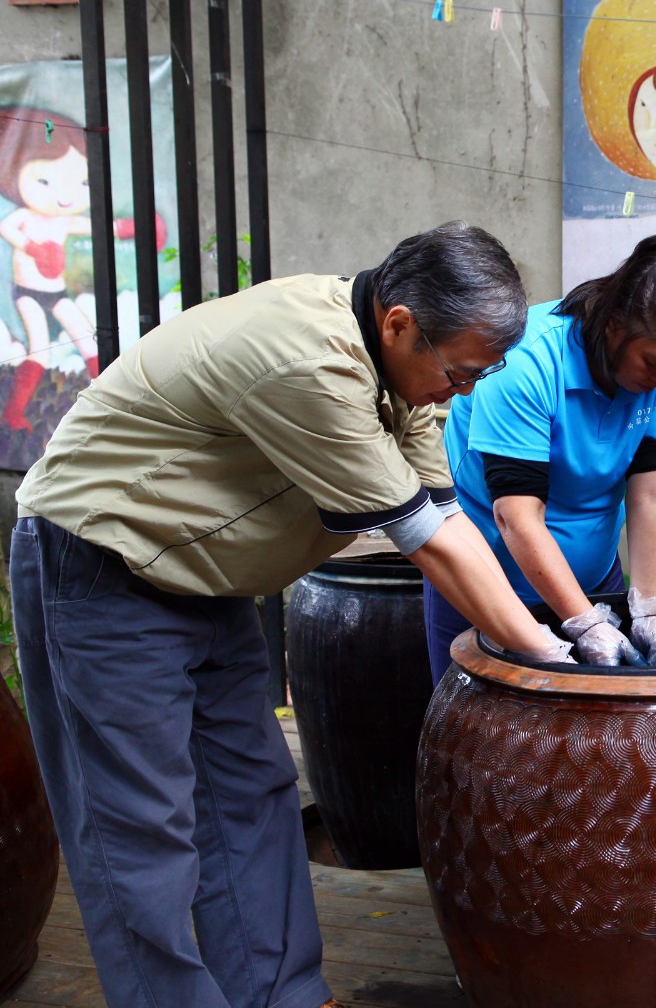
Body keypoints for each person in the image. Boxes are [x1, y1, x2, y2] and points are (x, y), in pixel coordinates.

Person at [9, 222, 575, 1008]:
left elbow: (446, 511)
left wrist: (561, 634)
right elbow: (429, 542)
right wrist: (550, 652)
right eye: (461, 371)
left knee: (252, 793)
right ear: (400, 323)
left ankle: (286, 996)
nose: (467, 391)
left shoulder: (401, 374)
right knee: (142, 828)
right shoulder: (306, 357)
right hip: (104, 566)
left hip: (209, 583)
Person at [424, 232, 656, 676]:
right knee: (482, 732)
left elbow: (654, 492)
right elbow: (517, 514)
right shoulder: (525, 360)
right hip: (486, 580)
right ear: (613, 325)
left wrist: (652, 607)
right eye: (654, 362)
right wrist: (584, 623)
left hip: (595, 575)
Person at [0, 106, 165, 427]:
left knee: (87, 340)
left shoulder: (65, 222)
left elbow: (104, 228)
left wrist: (137, 226)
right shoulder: (25, 218)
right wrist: (32, 247)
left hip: (57, 291)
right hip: (29, 293)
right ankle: (14, 410)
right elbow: (6, 230)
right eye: (45, 179)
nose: (65, 196)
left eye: (83, 183)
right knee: (40, 348)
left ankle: (108, 401)